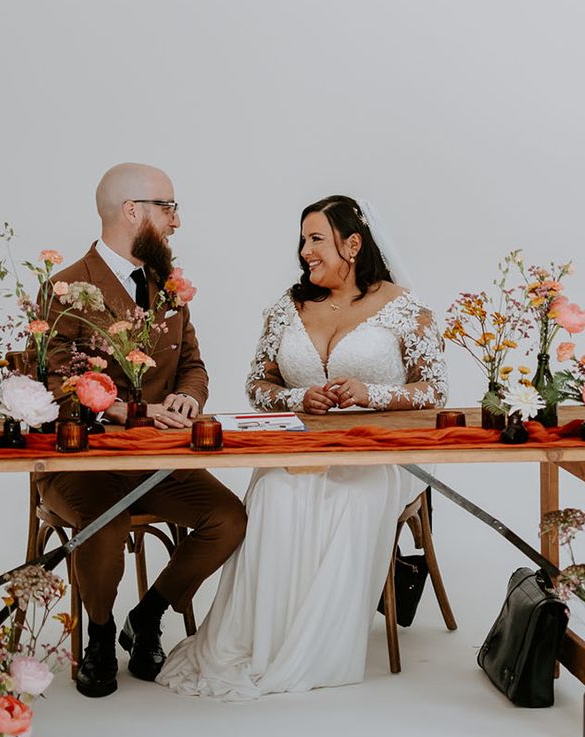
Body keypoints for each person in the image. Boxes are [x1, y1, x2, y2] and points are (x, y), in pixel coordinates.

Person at [157, 194, 447, 699]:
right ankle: (265, 640)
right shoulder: (285, 308)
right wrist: (298, 397)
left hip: (377, 454)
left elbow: (435, 389)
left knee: (351, 500)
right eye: (303, 239)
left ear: (352, 244)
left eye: (317, 239)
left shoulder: (406, 309)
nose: (305, 250)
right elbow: (257, 385)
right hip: (301, 451)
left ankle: (316, 645)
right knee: (272, 494)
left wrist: (370, 394)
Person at [38, 162, 247, 698]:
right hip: (83, 460)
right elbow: (62, 376)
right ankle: (102, 636)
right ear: (133, 211)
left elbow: (194, 365)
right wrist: (133, 413)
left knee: (228, 518)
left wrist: (188, 396)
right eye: (168, 206)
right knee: (104, 524)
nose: (176, 221)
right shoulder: (65, 287)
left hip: (159, 460)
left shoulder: (168, 286)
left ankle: (147, 615)